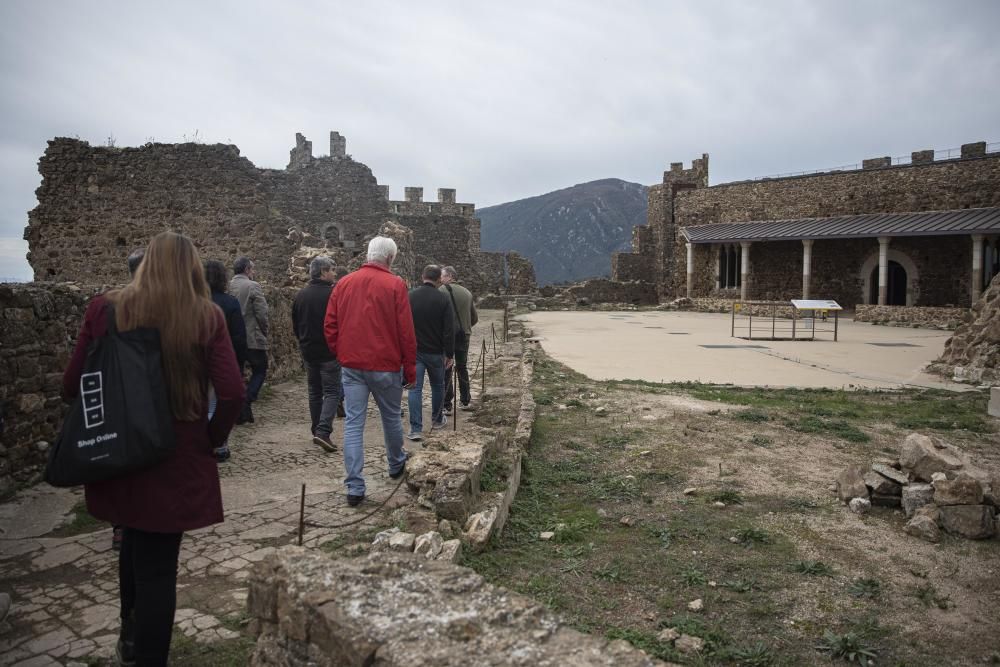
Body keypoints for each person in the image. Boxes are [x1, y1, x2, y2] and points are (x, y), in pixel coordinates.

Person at [62, 231, 244, 667]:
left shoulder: (105, 308)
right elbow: (233, 393)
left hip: (119, 451)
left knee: (130, 538)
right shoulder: (205, 316)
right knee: (158, 565)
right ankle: (147, 657)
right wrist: (211, 438)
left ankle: (129, 636)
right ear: (192, 269)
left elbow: (73, 384)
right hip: (176, 455)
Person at [324, 236, 416, 507]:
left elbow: (330, 325)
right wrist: (410, 368)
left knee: (354, 424)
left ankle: (354, 485)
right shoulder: (396, 285)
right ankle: (396, 463)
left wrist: (340, 353)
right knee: (390, 417)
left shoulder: (343, 283)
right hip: (385, 365)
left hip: (352, 366)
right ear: (389, 258)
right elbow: (405, 332)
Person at [292, 256, 341, 453]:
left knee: (314, 391)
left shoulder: (301, 295)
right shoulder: (333, 294)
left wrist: (303, 341)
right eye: (332, 269)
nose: (334, 273)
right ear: (323, 272)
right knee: (331, 392)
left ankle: (316, 429)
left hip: (308, 350)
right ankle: (322, 431)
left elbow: (295, 324)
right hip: (328, 351)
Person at [204, 260, 248, 462]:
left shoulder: (192, 302)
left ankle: (202, 442)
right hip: (221, 360)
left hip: (196, 362)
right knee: (218, 404)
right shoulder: (230, 303)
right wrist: (239, 364)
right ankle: (219, 445)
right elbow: (239, 338)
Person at [407, 265, 455, 441]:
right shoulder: (443, 299)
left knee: (414, 389)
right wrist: (449, 354)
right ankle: (436, 419)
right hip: (436, 352)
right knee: (438, 386)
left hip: (415, 352)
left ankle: (415, 428)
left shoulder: (410, 296)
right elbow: (449, 330)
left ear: (422, 276)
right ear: (438, 280)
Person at [229, 257, 268, 424]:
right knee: (260, 369)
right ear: (246, 269)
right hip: (251, 337)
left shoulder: (228, 286)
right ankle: (247, 399)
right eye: (252, 269)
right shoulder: (253, 286)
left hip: (231, 338)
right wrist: (264, 331)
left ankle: (242, 413)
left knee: (237, 374)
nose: (253, 273)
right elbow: (261, 313)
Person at [440, 265, 478, 412]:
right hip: (464, 335)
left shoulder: (441, 291)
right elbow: (474, 317)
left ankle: (447, 404)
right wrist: (466, 328)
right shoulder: (467, 293)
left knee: (446, 367)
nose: (441, 279)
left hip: (447, 337)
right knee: (462, 367)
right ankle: (465, 400)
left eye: (443, 276)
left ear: (450, 276)